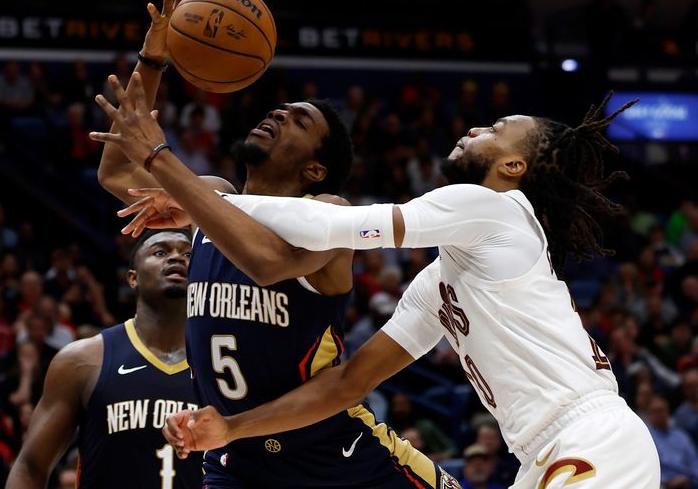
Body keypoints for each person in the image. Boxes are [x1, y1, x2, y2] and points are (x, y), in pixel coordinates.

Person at [92, 87, 661, 487]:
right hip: (538, 454)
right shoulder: (440, 284)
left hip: (589, 436)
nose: (473, 129)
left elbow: (336, 226)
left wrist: (182, 182)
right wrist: (232, 428)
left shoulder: (499, 208)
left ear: (513, 167)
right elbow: (351, 383)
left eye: (493, 131)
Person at [92, 0, 457, 489]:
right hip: (235, 455)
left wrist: (161, 156)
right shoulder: (213, 196)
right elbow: (114, 173)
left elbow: (266, 261)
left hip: (337, 453)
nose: (278, 113)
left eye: (298, 122)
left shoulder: (329, 212)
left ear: (314, 169)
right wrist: (154, 61)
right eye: (280, 110)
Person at [5, 227, 201, 488]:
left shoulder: (222, 362)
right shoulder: (82, 360)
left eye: (188, 254)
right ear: (132, 278)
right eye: (161, 252)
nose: (177, 258)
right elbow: (30, 466)